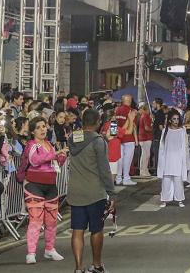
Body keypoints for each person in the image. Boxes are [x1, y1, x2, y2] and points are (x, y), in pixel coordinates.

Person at [68, 108, 115, 273]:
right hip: (95, 192)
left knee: (77, 230)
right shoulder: (98, 141)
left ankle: (78, 267)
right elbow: (104, 169)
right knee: (96, 229)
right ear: (98, 122)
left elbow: (79, 139)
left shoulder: (72, 138)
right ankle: (96, 265)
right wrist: (112, 193)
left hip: (75, 192)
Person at [24, 117, 69, 264]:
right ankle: (31, 253)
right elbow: (35, 161)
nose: (43, 129)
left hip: (51, 186)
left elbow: (55, 164)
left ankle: (50, 249)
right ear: (32, 131)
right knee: (35, 220)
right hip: (34, 186)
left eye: (44, 126)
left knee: (52, 221)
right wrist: (56, 153)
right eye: (38, 127)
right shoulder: (31, 145)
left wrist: (62, 155)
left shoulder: (49, 144)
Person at [157, 109, 190, 207]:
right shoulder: (165, 131)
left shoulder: (182, 131)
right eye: (174, 119)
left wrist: (184, 160)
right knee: (166, 180)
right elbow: (162, 147)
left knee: (178, 180)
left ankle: (179, 199)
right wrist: (161, 161)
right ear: (170, 120)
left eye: (177, 119)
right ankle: (165, 199)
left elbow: (184, 146)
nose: (176, 121)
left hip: (178, 159)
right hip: (167, 159)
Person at [113, 95, 137, 186]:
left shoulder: (117, 110)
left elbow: (114, 125)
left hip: (117, 137)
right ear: (129, 101)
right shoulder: (130, 110)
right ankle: (126, 177)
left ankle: (118, 178)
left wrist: (116, 133)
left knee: (120, 158)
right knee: (127, 159)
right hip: (128, 137)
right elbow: (132, 126)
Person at [136, 103, 153, 177]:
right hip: (146, 137)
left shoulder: (142, 116)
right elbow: (147, 128)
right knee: (146, 155)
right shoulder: (145, 116)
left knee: (144, 155)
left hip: (142, 137)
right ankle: (144, 171)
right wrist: (152, 128)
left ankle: (143, 170)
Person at [149, 98, 165, 175]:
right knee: (156, 153)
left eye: (154, 103)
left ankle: (157, 170)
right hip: (156, 136)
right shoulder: (158, 113)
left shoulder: (160, 113)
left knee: (157, 154)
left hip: (157, 136)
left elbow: (160, 126)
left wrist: (161, 135)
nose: (152, 104)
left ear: (157, 104)